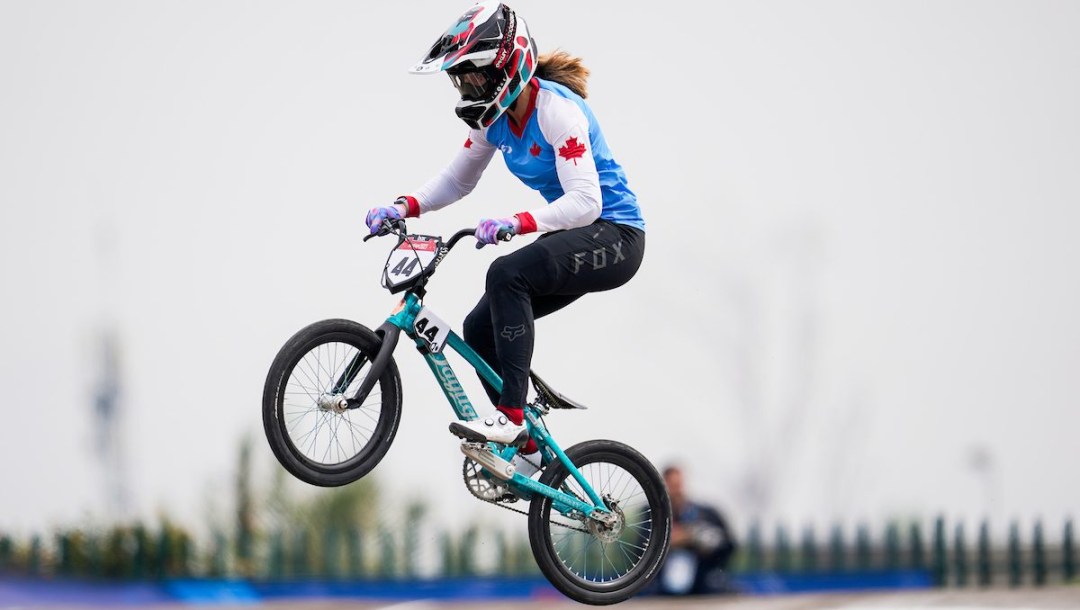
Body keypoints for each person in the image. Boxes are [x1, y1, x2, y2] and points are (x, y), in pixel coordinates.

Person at [364, 1, 645, 466]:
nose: (466, 87)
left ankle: (511, 417)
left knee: (506, 274)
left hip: (615, 236)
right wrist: (402, 206)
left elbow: (587, 203)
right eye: (461, 80)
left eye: (473, 76)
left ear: (505, 67)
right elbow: (457, 180)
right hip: (576, 233)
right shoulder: (493, 120)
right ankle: (531, 451)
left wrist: (517, 223)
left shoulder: (557, 112)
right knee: (479, 328)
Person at [658, 465, 739, 595]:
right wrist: (670, 541)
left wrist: (699, 541)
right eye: (672, 486)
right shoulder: (654, 517)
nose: (677, 491)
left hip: (702, 582)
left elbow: (728, 544)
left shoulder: (707, 514)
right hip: (662, 587)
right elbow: (640, 551)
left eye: (678, 485)